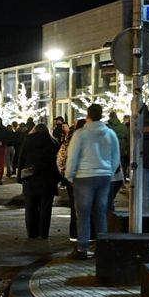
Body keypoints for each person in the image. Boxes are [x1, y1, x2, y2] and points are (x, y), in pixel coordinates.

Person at [64, 103, 121, 260]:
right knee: (100, 212)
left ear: (88, 115)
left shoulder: (81, 134)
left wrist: (70, 175)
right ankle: (101, 248)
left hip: (83, 176)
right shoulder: (110, 134)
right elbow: (116, 157)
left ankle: (82, 248)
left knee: (83, 214)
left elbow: (73, 156)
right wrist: (109, 172)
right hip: (104, 176)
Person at [19, 123, 59, 238]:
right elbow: (57, 162)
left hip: (30, 178)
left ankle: (32, 233)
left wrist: (20, 177)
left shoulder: (28, 141)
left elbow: (21, 159)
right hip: (48, 179)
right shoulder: (53, 142)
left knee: (30, 207)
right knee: (46, 208)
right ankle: (44, 233)